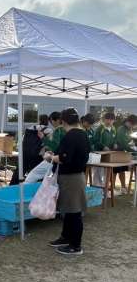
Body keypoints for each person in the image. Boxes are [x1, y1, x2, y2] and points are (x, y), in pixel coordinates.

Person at [50, 108, 90, 256]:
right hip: (75, 176)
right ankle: (65, 237)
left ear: (63, 121)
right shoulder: (83, 134)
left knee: (74, 212)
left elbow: (64, 158)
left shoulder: (71, 135)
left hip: (72, 178)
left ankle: (75, 246)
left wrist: (51, 158)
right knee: (68, 210)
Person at [114, 114, 137, 194]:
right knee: (114, 172)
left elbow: (130, 141)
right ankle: (112, 188)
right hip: (117, 153)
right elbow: (123, 144)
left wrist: (132, 146)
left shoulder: (129, 130)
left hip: (124, 154)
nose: (133, 126)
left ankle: (123, 187)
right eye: (133, 124)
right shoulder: (121, 129)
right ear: (129, 122)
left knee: (122, 171)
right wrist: (134, 151)